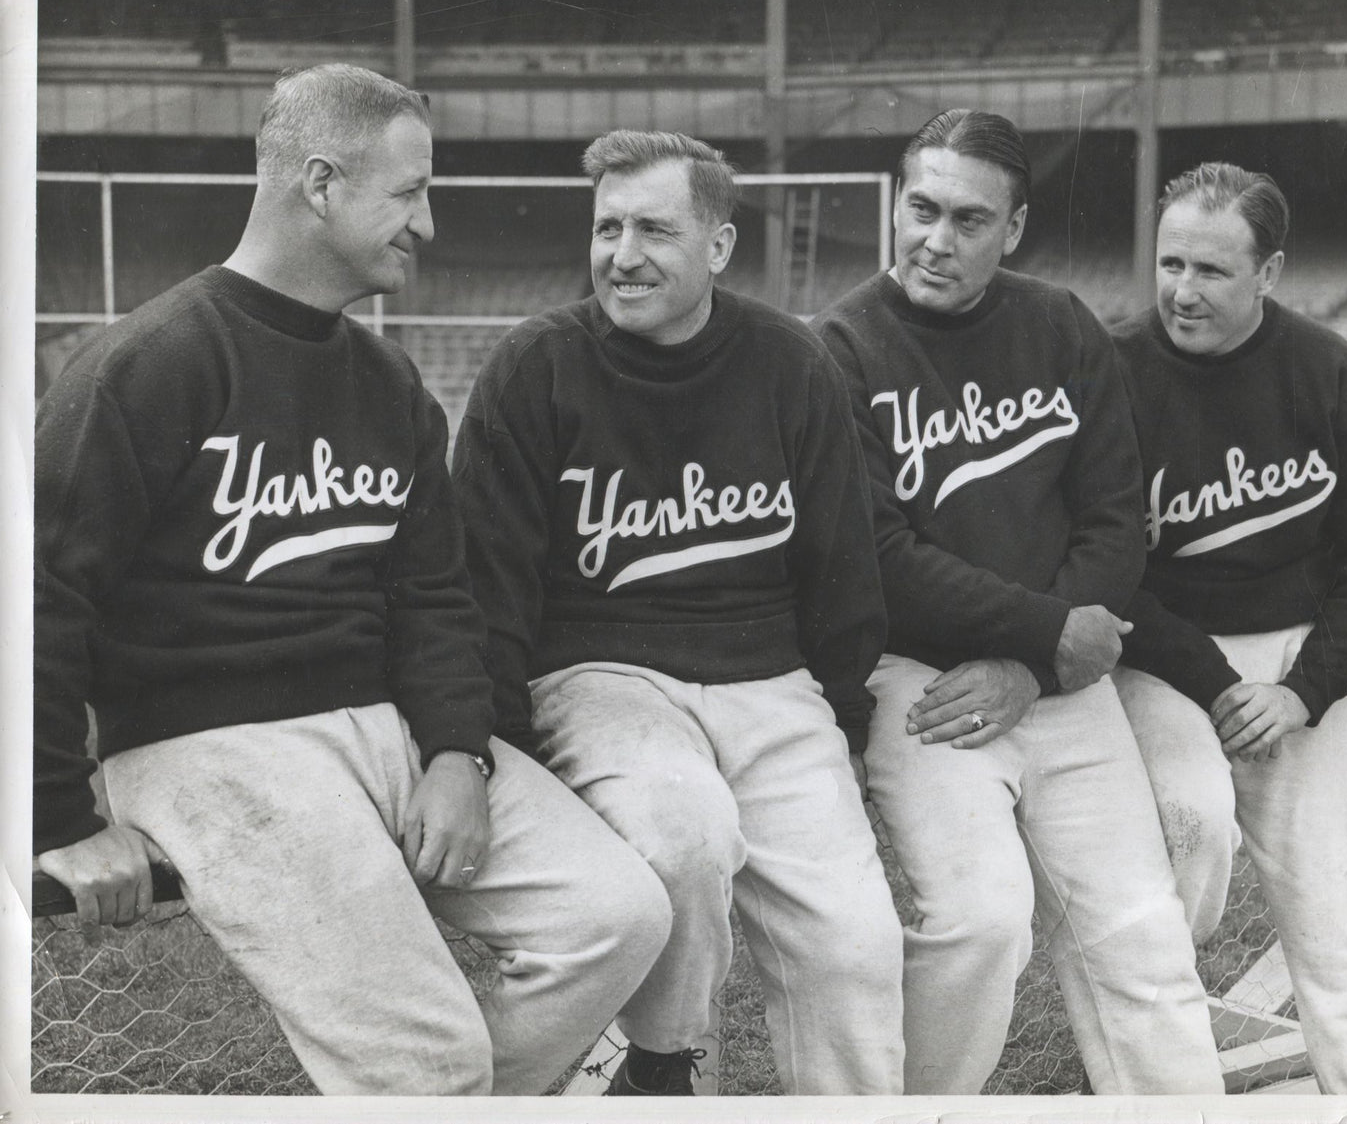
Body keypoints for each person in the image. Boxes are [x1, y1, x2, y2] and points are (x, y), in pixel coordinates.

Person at [32, 64, 671, 1097]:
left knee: (619, 916)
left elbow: (432, 597)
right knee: (428, 1058)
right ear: (320, 183)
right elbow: (40, 599)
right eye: (408, 191)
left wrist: (459, 751)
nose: (426, 224)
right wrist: (54, 814)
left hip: (380, 723)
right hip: (210, 742)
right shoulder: (146, 364)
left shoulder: (388, 385)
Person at [451, 129, 905, 1097]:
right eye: (606, 226)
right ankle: (665, 1056)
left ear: (718, 247)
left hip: (773, 684)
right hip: (601, 673)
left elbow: (840, 570)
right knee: (682, 834)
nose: (622, 254)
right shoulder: (535, 366)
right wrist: (497, 737)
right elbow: (483, 581)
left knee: (855, 944)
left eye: (653, 228)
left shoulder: (790, 361)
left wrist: (845, 725)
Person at [811, 108, 1223, 1095]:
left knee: (1142, 934)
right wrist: (1040, 633)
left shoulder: (1057, 323)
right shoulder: (838, 346)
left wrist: (1032, 660)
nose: (934, 239)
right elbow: (876, 556)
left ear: (1013, 229)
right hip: (920, 677)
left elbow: (1115, 522)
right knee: (979, 920)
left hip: (1057, 677)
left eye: (966, 219)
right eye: (920, 208)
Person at [1110, 161, 1347, 1094]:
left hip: (1294, 663)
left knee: (1344, 924)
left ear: (1269, 273)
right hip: (1162, 658)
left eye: (1210, 270)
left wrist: (1302, 688)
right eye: (1169, 264)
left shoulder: (1325, 370)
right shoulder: (1114, 373)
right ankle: (1162, 1050)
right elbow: (1104, 566)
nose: (1181, 291)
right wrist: (1211, 679)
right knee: (1184, 830)